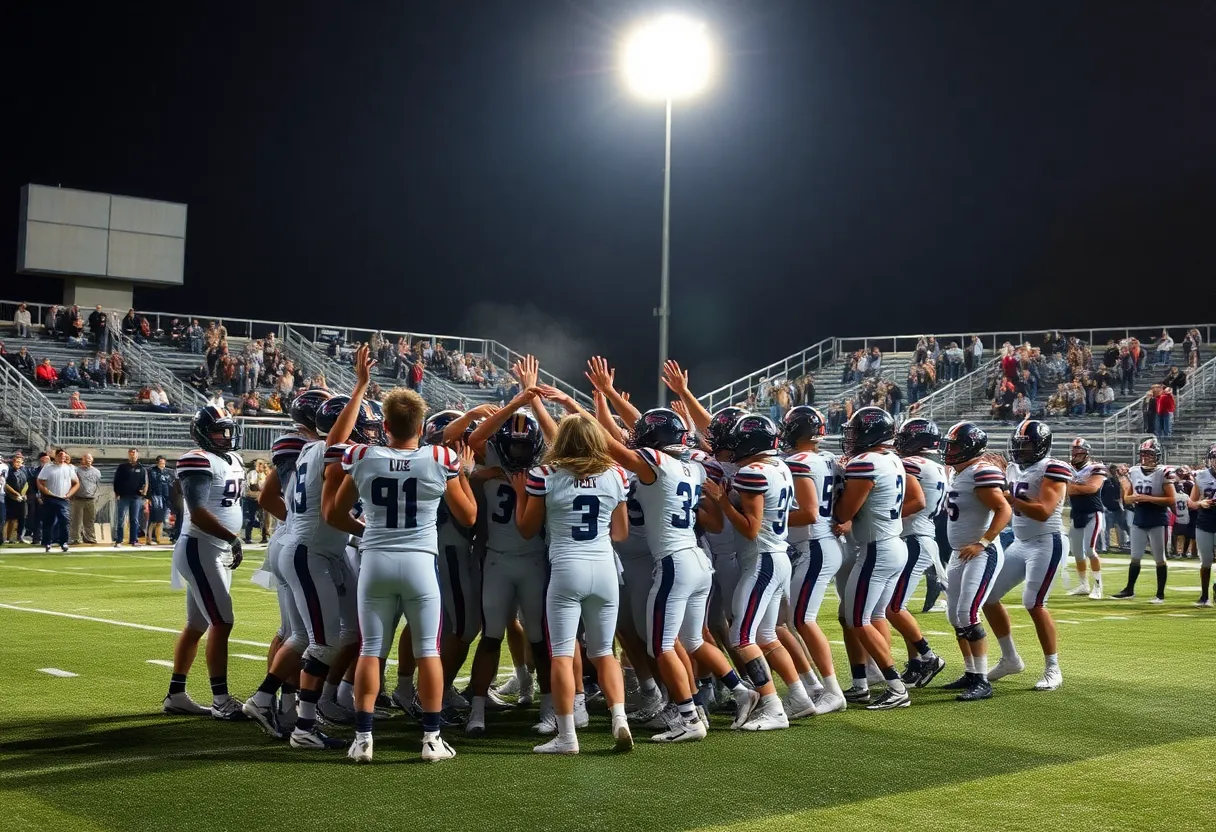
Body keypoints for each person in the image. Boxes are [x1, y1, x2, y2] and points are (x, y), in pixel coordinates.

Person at [327, 388, 478, 764]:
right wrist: (466, 474)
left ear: (385, 425)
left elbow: (335, 513)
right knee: (428, 651)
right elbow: (469, 516)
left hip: (375, 560)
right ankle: (431, 739)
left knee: (371, 649)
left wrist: (370, 532)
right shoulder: (441, 457)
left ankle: (363, 739)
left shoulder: (361, 455)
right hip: (420, 564)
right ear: (422, 426)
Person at [513, 414, 634, 754]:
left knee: (563, 655)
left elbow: (526, 529)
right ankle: (619, 719)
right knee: (604, 653)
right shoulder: (616, 475)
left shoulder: (544, 475)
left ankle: (567, 736)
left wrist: (521, 496)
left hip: (567, 568)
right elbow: (621, 533)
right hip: (604, 569)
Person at [705, 413, 812, 729]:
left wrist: (723, 502)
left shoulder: (752, 472)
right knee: (766, 635)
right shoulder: (779, 466)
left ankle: (772, 706)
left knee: (742, 636)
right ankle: (800, 697)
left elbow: (751, 529)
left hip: (761, 559)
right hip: (776, 556)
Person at [831, 406, 925, 710]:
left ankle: (895, 687)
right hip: (891, 544)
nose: (852, 437)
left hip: (876, 549)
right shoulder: (891, 459)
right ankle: (863, 682)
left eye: (857, 431)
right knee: (863, 617)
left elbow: (844, 512)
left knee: (857, 620)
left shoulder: (866, 463)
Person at [162, 406, 247, 720]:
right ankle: (221, 699)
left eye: (227, 430)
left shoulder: (233, 459)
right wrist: (233, 537)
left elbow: (230, 498)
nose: (225, 436)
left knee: (197, 625)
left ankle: (176, 694)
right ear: (201, 432)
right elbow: (196, 511)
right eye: (218, 431)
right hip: (201, 547)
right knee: (222, 622)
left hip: (215, 548)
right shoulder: (197, 458)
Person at [982, 420, 1071, 692]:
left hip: (1047, 541)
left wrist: (1006, 497)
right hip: (1021, 542)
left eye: (1027, 444)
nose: (1021, 449)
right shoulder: (1013, 468)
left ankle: (1053, 668)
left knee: (1033, 603)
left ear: (1041, 446)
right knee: (988, 597)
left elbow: (1043, 511)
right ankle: (1010, 658)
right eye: (1019, 443)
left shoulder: (1052, 469)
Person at [780, 406, 848, 714]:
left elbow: (807, 512)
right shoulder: (830, 459)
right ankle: (813, 685)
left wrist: (770, 517)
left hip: (814, 546)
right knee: (789, 619)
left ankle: (832, 690)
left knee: (801, 619)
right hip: (818, 544)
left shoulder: (798, 462)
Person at [939, 422, 1010, 701]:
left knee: (968, 613)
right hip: (960, 552)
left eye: (955, 445)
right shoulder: (963, 472)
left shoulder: (981, 471)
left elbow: (1003, 508)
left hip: (981, 552)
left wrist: (983, 542)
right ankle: (971, 672)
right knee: (954, 616)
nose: (949, 450)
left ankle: (982, 681)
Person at [890, 418, 949, 687]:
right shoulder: (935, 466)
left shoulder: (911, 464)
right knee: (895, 606)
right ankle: (915, 663)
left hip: (915, 537)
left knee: (892, 607)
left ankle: (928, 656)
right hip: (920, 536)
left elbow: (913, 501)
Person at [1113, 437, 1175, 603]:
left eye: (1149, 454)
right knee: (1135, 556)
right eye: (1143, 454)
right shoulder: (1134, 471)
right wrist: (1125, 486)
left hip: (1157, 518)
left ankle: (1160, 594)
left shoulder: (1164, 472)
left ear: (1157, 455)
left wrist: (1147, 498)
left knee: (1159, 557)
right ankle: (1129, 589)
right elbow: (1127, 499)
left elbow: (1171, 500)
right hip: (1139, 517)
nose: (1145, 457)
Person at [1066, 438, 1108, 599]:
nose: (1075, 455)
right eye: (1073, 451)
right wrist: (1076, 488)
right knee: (1077, 553)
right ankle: (1084, 585)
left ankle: (1098, 587)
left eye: (1078, 452)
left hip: (1093, 512)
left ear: (1086, 454)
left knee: (1090, 550)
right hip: (1077, 512)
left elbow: (1092, 488)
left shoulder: (1096, 468)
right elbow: (1068, 492)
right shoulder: (1069, 468)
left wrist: (1072, 487)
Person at [1188, 445, 1216, 606]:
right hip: (1205, 522)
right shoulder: (1201, 476)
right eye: (1214, 458)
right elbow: (1191, 503)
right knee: (1206, 561)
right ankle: (1204, 595)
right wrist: (1201, 503)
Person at [36, 449, 78, 552]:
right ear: (56, 456)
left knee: (64, 520)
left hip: (63, 498)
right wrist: (45, 491)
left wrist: (69, 494)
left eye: (64, 456)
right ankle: (47, 542)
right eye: (60, 455)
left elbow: (76, 483)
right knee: (49, 521)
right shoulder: (48, 467)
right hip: (50, 497)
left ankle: (63, 542)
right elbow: (40, 481)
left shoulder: (68, 468)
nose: (62, 458)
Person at [113, 448, 148, 546]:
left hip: (135, 497)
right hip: (123, 496)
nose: (133, 455)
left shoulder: (141, 468)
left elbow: (144, 482)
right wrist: (117, 493)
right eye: (131, 453)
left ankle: (133, 540)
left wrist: (143, 493)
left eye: (134, 453)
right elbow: (116, 481)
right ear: (128, 454)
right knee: (120, 519)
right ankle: (119, 540)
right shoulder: (122, 467)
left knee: (134, 519)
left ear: (137, 455)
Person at [70, 453, 101, 545]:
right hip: (78, 498)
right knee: (76, 520)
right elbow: (72, 483)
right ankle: (75, 538)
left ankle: (90, 537)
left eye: (89, 458)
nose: (88, 460)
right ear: (82, 460)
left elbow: (97, 484)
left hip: (91, 499)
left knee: (90, 520)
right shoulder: (76, 470)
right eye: (86, 458)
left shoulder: (97, 472)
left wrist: (97, 495)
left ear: (92, 460)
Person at [147, 456, 175, 544]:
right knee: (153, 519)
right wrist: (148, 497)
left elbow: (170, 484)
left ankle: (158, 538)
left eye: (163, 463)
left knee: (161, 519)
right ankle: (149, 538)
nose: (162, 465)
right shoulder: (151, 471)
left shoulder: (167, 472)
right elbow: (150, 484)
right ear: (157, 463)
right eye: (161, 463)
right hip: (155, 496)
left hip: (165, 497)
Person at [5, 453, 31, 543]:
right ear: (13, 462)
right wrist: (15, 494)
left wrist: (24, 494)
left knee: (22, 517)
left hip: (22, 498)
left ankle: (20, 537)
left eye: (20, 461)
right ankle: (9, 537)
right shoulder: (9, 471)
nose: (18, 463)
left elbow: (27, 484)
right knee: (11, 517)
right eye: (16, 461)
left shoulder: (24, 471)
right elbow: (6, 485)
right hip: (11, 498)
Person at [243, 459, 267, 543]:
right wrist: (261, 489)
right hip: (252, 498)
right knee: (251, 518)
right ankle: (248, 537)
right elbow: (252, 485)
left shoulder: (266, 474)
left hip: (262, 498)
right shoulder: (252, 473)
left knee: (263, 518)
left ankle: (264, 537)